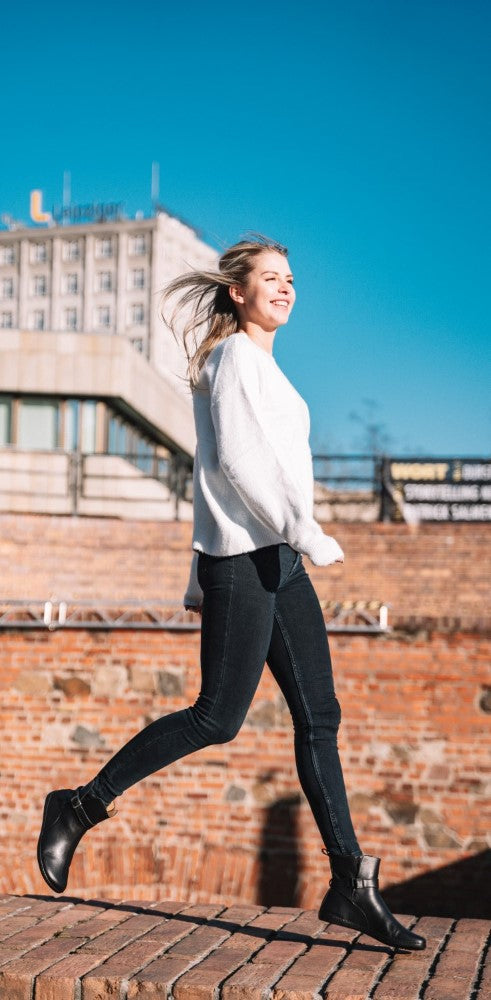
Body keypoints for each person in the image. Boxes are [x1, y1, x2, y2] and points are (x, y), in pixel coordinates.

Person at [37, 235, 425, 951]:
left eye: (290, 278)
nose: (285, 288)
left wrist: (279, 546)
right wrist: (305, 532)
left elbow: (212, 477)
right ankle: (78, 806)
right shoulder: (232, 359)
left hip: (273, 561)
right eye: (269, 279)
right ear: (236, 292)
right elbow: (240, 468)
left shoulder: (262, 368)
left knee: (319, 718)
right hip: (250, 561)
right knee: (217, 717)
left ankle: (349, 884)